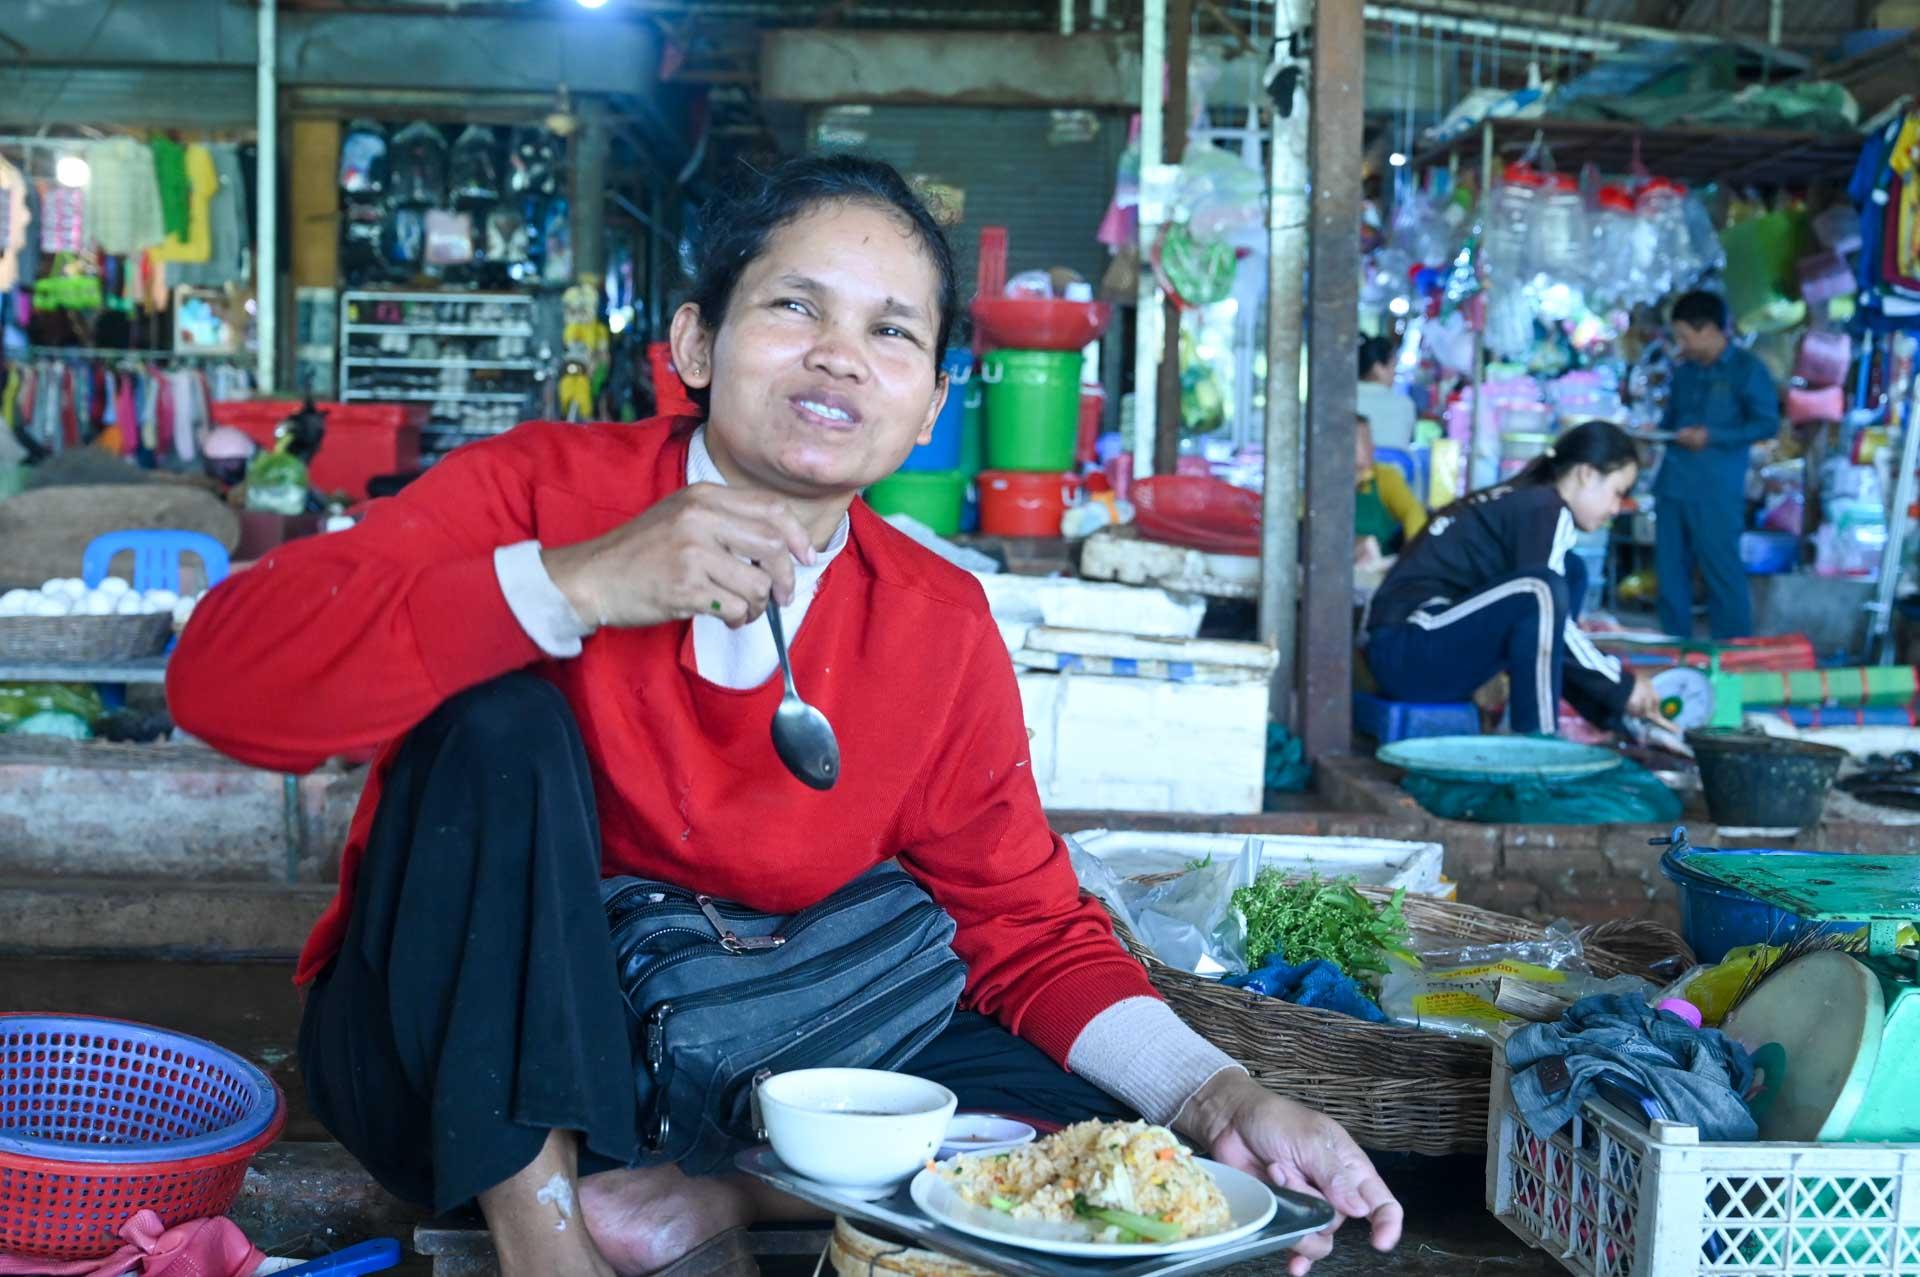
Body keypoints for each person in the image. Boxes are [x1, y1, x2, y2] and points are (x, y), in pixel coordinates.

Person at [167, 156, 1400, 1277]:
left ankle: (716, 1192)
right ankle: (545, 1229)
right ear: (696, 345)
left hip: (725, 1064)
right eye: (794, 306)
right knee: (500, 725)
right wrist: (571, 586)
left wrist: (1221, 1097)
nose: (839, 355)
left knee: (1087, 1123)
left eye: (892, 330)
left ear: (928, 407)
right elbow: (218, 685)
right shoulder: (538, 491)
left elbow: (1021, 923)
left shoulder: (935, 618)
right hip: (451, 1068)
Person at [1364, 421, 1674, 737]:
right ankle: (1537, 743)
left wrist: (1624, 717)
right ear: (1586, 474)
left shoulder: (1525, 503)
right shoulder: (1543, 508)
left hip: (1420, 650)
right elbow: (1546, 613)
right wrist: (1622, 685)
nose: (1614, 509)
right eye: (1617, 493)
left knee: (1569, 573)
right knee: (1542, 591)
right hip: (1407, 650)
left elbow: (1549, 639)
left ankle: (1593, 725)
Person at [1655, 290, 1779, 639]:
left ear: (1709, 330)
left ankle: (1734, 656)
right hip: (1672, 485)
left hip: (1715, 489)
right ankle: (1673, 651)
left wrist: (1713, 436)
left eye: (1684, 335)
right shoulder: (1684, 372)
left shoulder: (1748, 371)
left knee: (1722, 574)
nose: (1681, 344)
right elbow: (1670, 421)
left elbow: (1766, 424)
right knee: (1669, 575)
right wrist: (1657, 433)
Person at [1354, 415, 1426, 561]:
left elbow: (1412, 513)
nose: (1372, 447)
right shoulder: (1322, 482)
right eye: (1364, 440)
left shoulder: (1385, 476)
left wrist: (1414, 556)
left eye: (1370, 439)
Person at [1355, 335, 1417, 449]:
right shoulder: (1404, 405)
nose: (1395, 373)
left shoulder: (1348, 402)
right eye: (1393, 366)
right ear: (1378, 368)